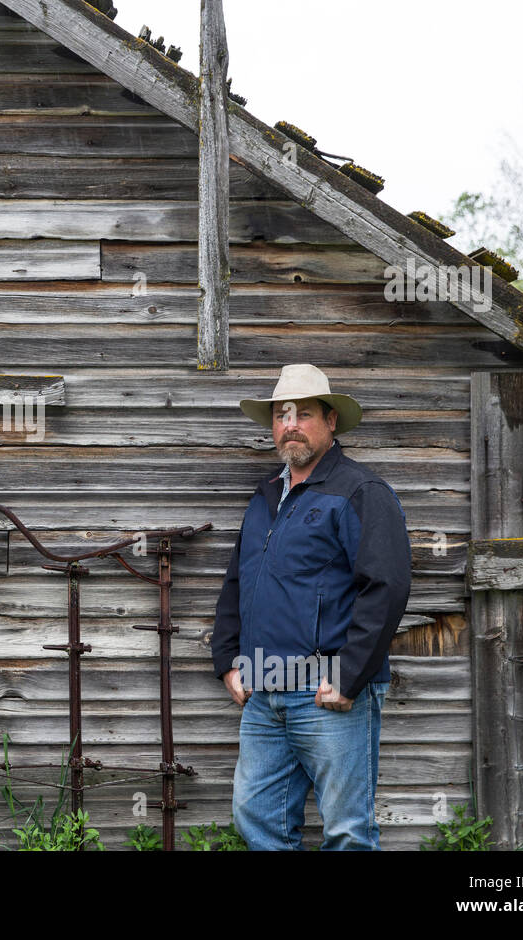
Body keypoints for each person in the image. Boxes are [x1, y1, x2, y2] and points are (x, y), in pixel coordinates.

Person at [209, 364, 411, 850]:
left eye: (303, 413)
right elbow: (239, 583)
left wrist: (349, 675)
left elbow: (386, 587)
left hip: (328, 692)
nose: (290, 424)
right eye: (281, 415)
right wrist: (227, 662)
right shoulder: (265, 498)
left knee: (347, 831)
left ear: (331, 421)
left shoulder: (361, 492)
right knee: (257, 818)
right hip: (263, 688)